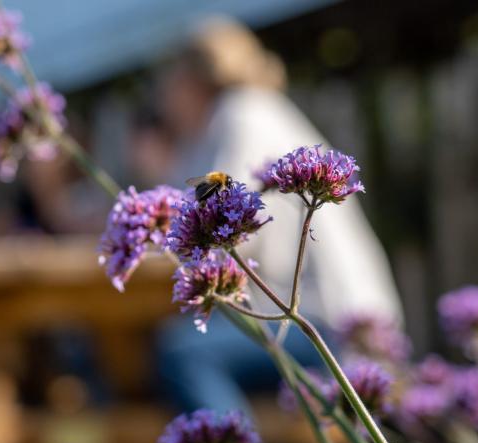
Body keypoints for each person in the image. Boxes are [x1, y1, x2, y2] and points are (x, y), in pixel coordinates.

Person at [155, 17, 403, 414]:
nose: (164, 97)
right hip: (321, 318)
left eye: (169, 81)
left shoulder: (240, 115)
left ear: (193, 79)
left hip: (332, 326)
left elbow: (225, 216)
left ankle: (232, 439)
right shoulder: (242, 116)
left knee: (185, 354)